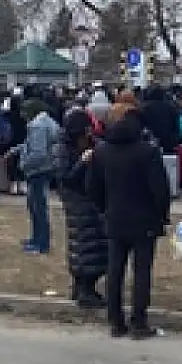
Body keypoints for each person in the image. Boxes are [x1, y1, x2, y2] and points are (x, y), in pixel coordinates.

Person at [86, 103, 171, 340]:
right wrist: (161, 215)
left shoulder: (102, 151)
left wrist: (104, 208)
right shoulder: (147, 151)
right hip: (145, 220)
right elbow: (160, 189)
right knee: (141, 272)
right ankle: (139, 321)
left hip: (114, 216)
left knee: (115, 270)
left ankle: (115, 320)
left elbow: (92, 188)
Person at [60, 109, 108, 309]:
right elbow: (66, 178)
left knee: (90, 244)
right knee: (85, 243)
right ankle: (84, 289)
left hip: (88, 201)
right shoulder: (63, 149)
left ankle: (84, 286)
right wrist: (83, 162)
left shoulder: (87, 143)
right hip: (78, 201)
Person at [18, 98, 62, 254]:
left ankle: (40, 243)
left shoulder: (37, 126)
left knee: (37, 207)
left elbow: (38, 152)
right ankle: (37, 239)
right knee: (38, 206)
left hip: (38, 170)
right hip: (47, 168)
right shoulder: (49, 122)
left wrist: (23, 164)